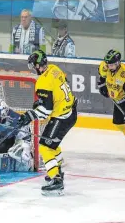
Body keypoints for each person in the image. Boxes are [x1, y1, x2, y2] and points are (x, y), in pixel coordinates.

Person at [17, 50, 78, 196]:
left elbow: (45, 112)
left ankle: (56, 179)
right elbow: (62, 87)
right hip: (71, 112)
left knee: (45, 146)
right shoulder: (55, 69)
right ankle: (57, 171)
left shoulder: (42, 82)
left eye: (33, 66)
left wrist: (28, 116)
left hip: (61, 117)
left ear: (38, 65)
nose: (33, 69)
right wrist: (43, 101)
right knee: (52, 144)